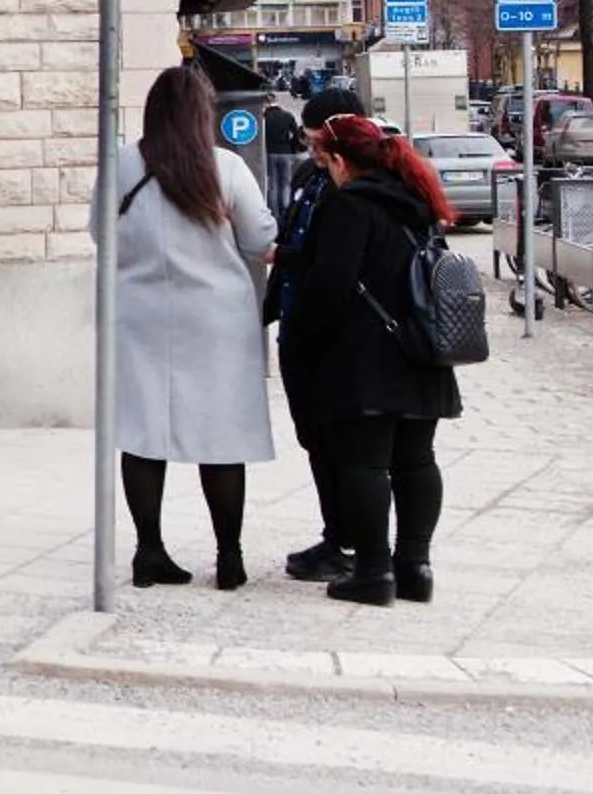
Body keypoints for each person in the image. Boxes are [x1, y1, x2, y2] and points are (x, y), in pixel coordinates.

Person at [282, 114, 464, 606]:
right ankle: (415, 568)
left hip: (364, 359)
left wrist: (300, 338)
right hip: (424, 350)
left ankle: (373, 571)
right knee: (416, 461)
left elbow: (332, 284)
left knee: (363, 464)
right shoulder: (419, 201)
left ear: (341, 161)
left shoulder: (349, 205)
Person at [110, 67, 279, 589]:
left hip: (143, 314)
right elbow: (258, 238)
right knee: (221, 437)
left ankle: (148, 551)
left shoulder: (120, 165)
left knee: (143, 432)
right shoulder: (225, 167)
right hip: (216, 319)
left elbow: (102, 234)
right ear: (205, 114)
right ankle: (230, 558)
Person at [266, 82, 365, 581]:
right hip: (298, 330)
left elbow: (333, 262)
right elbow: (291, 242)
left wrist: (282, 256)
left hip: (335, 336)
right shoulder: (311, 175)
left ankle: (353, 542)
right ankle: (335, 534)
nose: (309, 151)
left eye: (313, 140)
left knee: (344, 443)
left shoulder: (360, 183)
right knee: (315, 440)